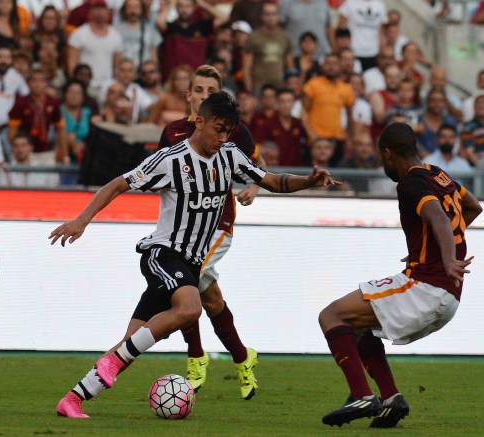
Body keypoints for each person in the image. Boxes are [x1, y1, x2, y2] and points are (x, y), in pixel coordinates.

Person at [52, 91, 339, 418]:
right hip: (163, 254)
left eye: (228, 131)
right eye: (218, 129)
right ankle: (113, 364)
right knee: (190, 308)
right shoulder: (170, 160)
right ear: (199, 121)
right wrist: (82, 220)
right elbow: (119, 183)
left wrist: (308, 181)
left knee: (131, 342)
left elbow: (272, 181)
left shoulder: (230, 156)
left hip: (191, 263)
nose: (223, 137)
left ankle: (72, 399)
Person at [318, 122, 481, 428]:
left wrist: (447, 259)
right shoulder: (437, 174)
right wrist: (429, 247)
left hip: (426, 287)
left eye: (383, 158)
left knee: (331, 316)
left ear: (388, 154)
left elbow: (439, 219)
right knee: (359, 326)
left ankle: (361, 395)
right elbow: (472, 206)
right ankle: (391, 398)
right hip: (447, 295)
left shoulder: (411, 183)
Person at [159, 66, 265, 399]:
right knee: (210, 298)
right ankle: (242, 357)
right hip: (183, 230)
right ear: (188, 95)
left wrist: (253, 187)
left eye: (212, 91)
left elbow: (259, 168)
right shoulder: (172, 132)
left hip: (218, 224)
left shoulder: (233, 130)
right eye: (199, 90)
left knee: (185, 284)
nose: (205, 95)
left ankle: (195, 356)